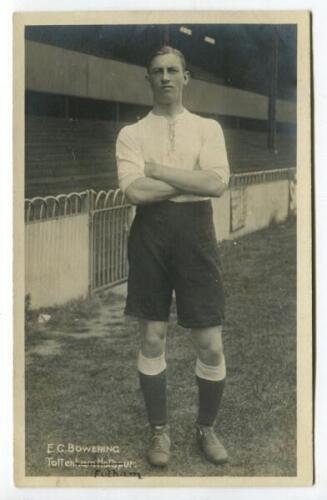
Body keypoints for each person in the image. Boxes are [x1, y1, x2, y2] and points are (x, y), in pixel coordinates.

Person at [116, 46, 230, 467]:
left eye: (173, 70)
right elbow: (134, 191)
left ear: (187, 78)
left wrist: (160, 171)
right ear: (148, 79)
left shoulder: (207, 129)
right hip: (150, 236)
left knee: (210, 344)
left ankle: (206, 427)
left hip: (196, 236)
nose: (165, 77)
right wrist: (191, 181)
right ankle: (159, 432)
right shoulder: (131, 134)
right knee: (152, 337)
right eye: (157, 71)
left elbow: (217, 184)